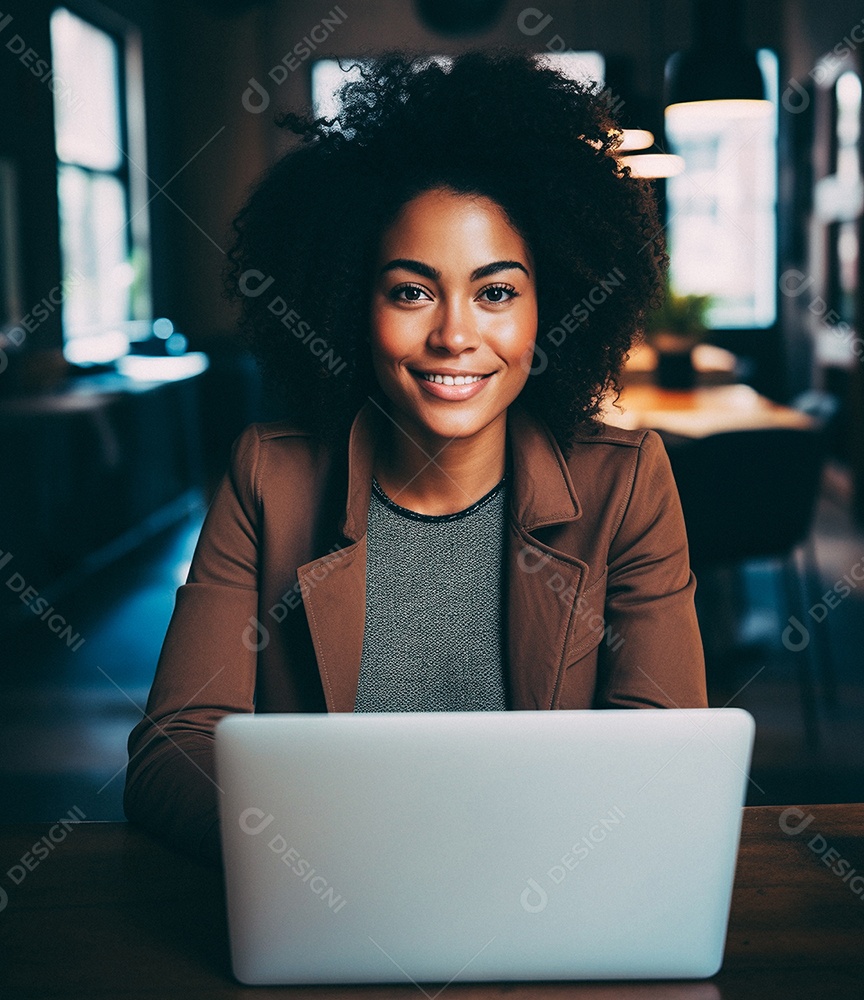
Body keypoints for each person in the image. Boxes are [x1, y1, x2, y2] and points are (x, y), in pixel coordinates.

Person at [124, 48, 708, 865]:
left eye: (497, 292)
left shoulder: (626, 485)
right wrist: (321, 842)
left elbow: (669, 763)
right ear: (351, 305)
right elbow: (171, 751)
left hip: (548, 919)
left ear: (553, 307)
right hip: (330, 908)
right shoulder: (270, 478)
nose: (455, 335)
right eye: (412, 290)